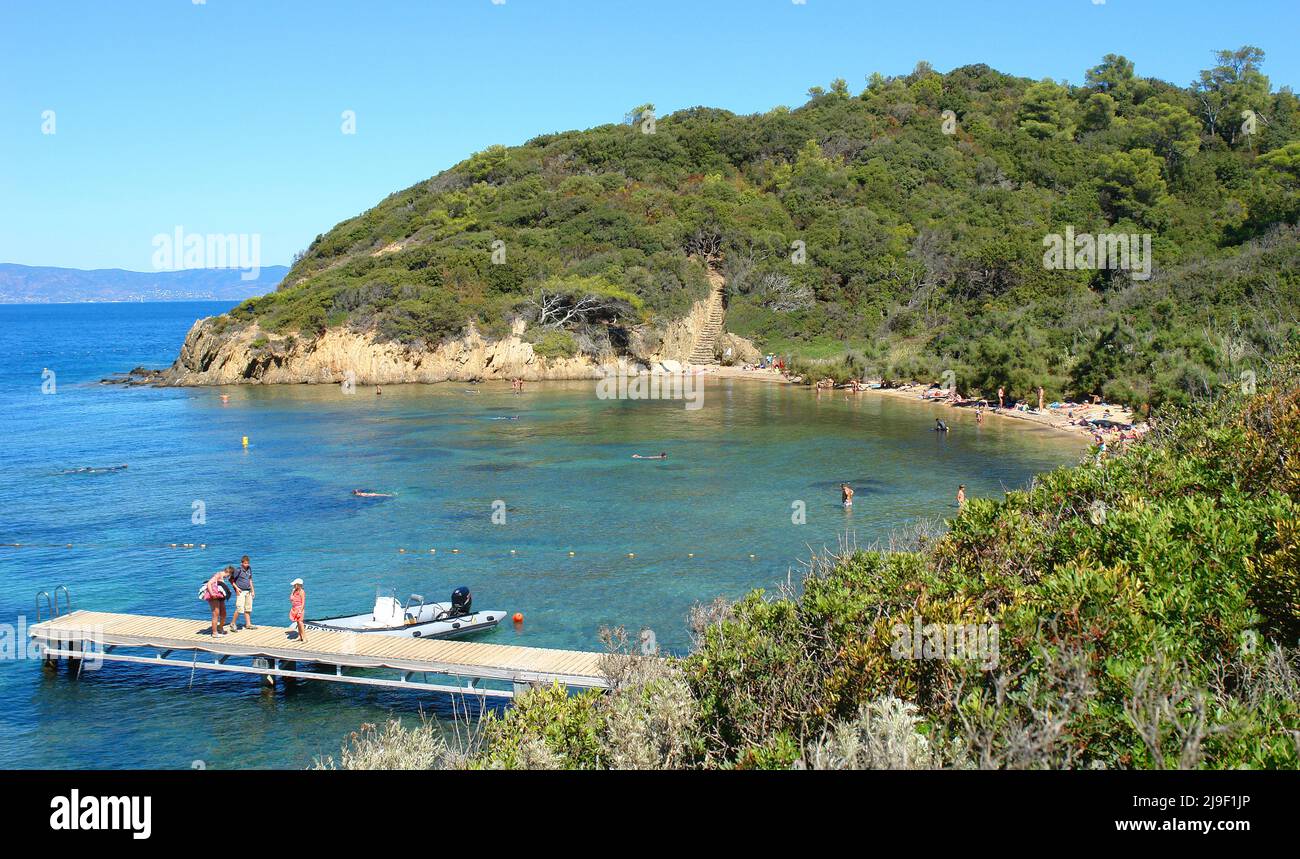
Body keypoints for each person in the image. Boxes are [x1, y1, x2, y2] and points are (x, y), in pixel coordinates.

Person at [203, 567, 232, 636]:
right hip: (214, 597)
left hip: (220, 597)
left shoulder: (222, 576)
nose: (228, 577)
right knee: (215, 614)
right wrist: (212, 593)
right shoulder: (218, 575)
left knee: (223, 614)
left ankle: (220, 628)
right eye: (229, 575)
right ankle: (214, 633)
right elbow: (209, 583)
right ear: (228, 573)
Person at [229, 555, 255, 631]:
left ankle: (248, 624)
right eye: (245, 563)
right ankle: (232, 624)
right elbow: (231, 580)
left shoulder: (249, 569)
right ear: (242, 563)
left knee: (248, 608)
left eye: (248, 563)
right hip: (241, 591)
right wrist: (237, 589)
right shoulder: (238, 570)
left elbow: (250, 580)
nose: (247, 565)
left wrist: (253, 590)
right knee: (239, 608)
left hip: (248, 591)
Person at [289, 578, 307, 643]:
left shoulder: (302, 592)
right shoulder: (294, 591)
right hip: (294, 608)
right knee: (298, 623)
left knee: (300, 623)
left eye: (295, 584)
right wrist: (292, 592)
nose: (293, 586)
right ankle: (300, 637)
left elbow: (303, 603)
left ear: (298, 585)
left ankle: (304, 638)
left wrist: (300, 611)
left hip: (299, 609)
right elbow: (291, 599)